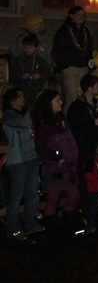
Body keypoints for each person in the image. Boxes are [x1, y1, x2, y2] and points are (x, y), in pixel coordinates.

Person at [31, 90, 81, 234]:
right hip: (54, 169)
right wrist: (58, 155)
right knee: (53, 200)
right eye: (57, 100)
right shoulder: (44, 126)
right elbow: (42, 149)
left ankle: (67, 225)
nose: (61, 103)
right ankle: (53, 231)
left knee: (73, 196)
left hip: (68, 166)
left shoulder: (62, 121)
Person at [2, 88, 45, 241]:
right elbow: (23, 123)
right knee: (16, 196)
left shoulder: (24, 113)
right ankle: (12, 228)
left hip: (31, 157)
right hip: (18, 160)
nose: (22, 99)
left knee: (31, 192)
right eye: (19, 97)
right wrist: (35, 104)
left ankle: (30, 224)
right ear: (11, 100)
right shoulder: (9, 116)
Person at [52, 6, 93, 113]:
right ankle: (66, 120)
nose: (81, 17)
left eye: (83, 15)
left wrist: (90, 63)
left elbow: (89, 48)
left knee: (81, 95)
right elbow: (57, 50)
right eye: (78, 14)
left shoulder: (85, 31)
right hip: (70, 68)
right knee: (71, 96)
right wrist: (62, 66)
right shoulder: (64, 31)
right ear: (71, 16)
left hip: (83, 67)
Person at [66, 74, 98, 165]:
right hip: (84, 148)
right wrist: (93, 123)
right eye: (97, 85)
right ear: (89, 88)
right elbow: (74, 128)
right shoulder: (76, 107)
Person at [9, 34, 50, 104]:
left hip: (37, 88)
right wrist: (21, 76)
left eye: (30, 47)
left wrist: (39, 76)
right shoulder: (17, 61)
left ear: (35, 47)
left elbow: (48, 73)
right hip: (22, 89)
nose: (27, 50)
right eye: (25, 47)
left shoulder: (41, 61)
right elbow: (12, 75)